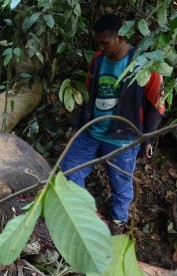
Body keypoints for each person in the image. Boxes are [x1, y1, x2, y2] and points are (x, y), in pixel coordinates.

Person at [61, 13, 165, 234]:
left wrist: (147, 138)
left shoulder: (142, 64)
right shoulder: (98, 60)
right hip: (92, 131)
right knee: (70, 169)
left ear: (120, 38)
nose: (100, 47)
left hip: (124, 137)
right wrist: (77, 127)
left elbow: (157, 103)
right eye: (98, 42)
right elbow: (87, 94)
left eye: (104, 42)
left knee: (120, 184)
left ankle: (117, 223)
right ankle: (85, 215)